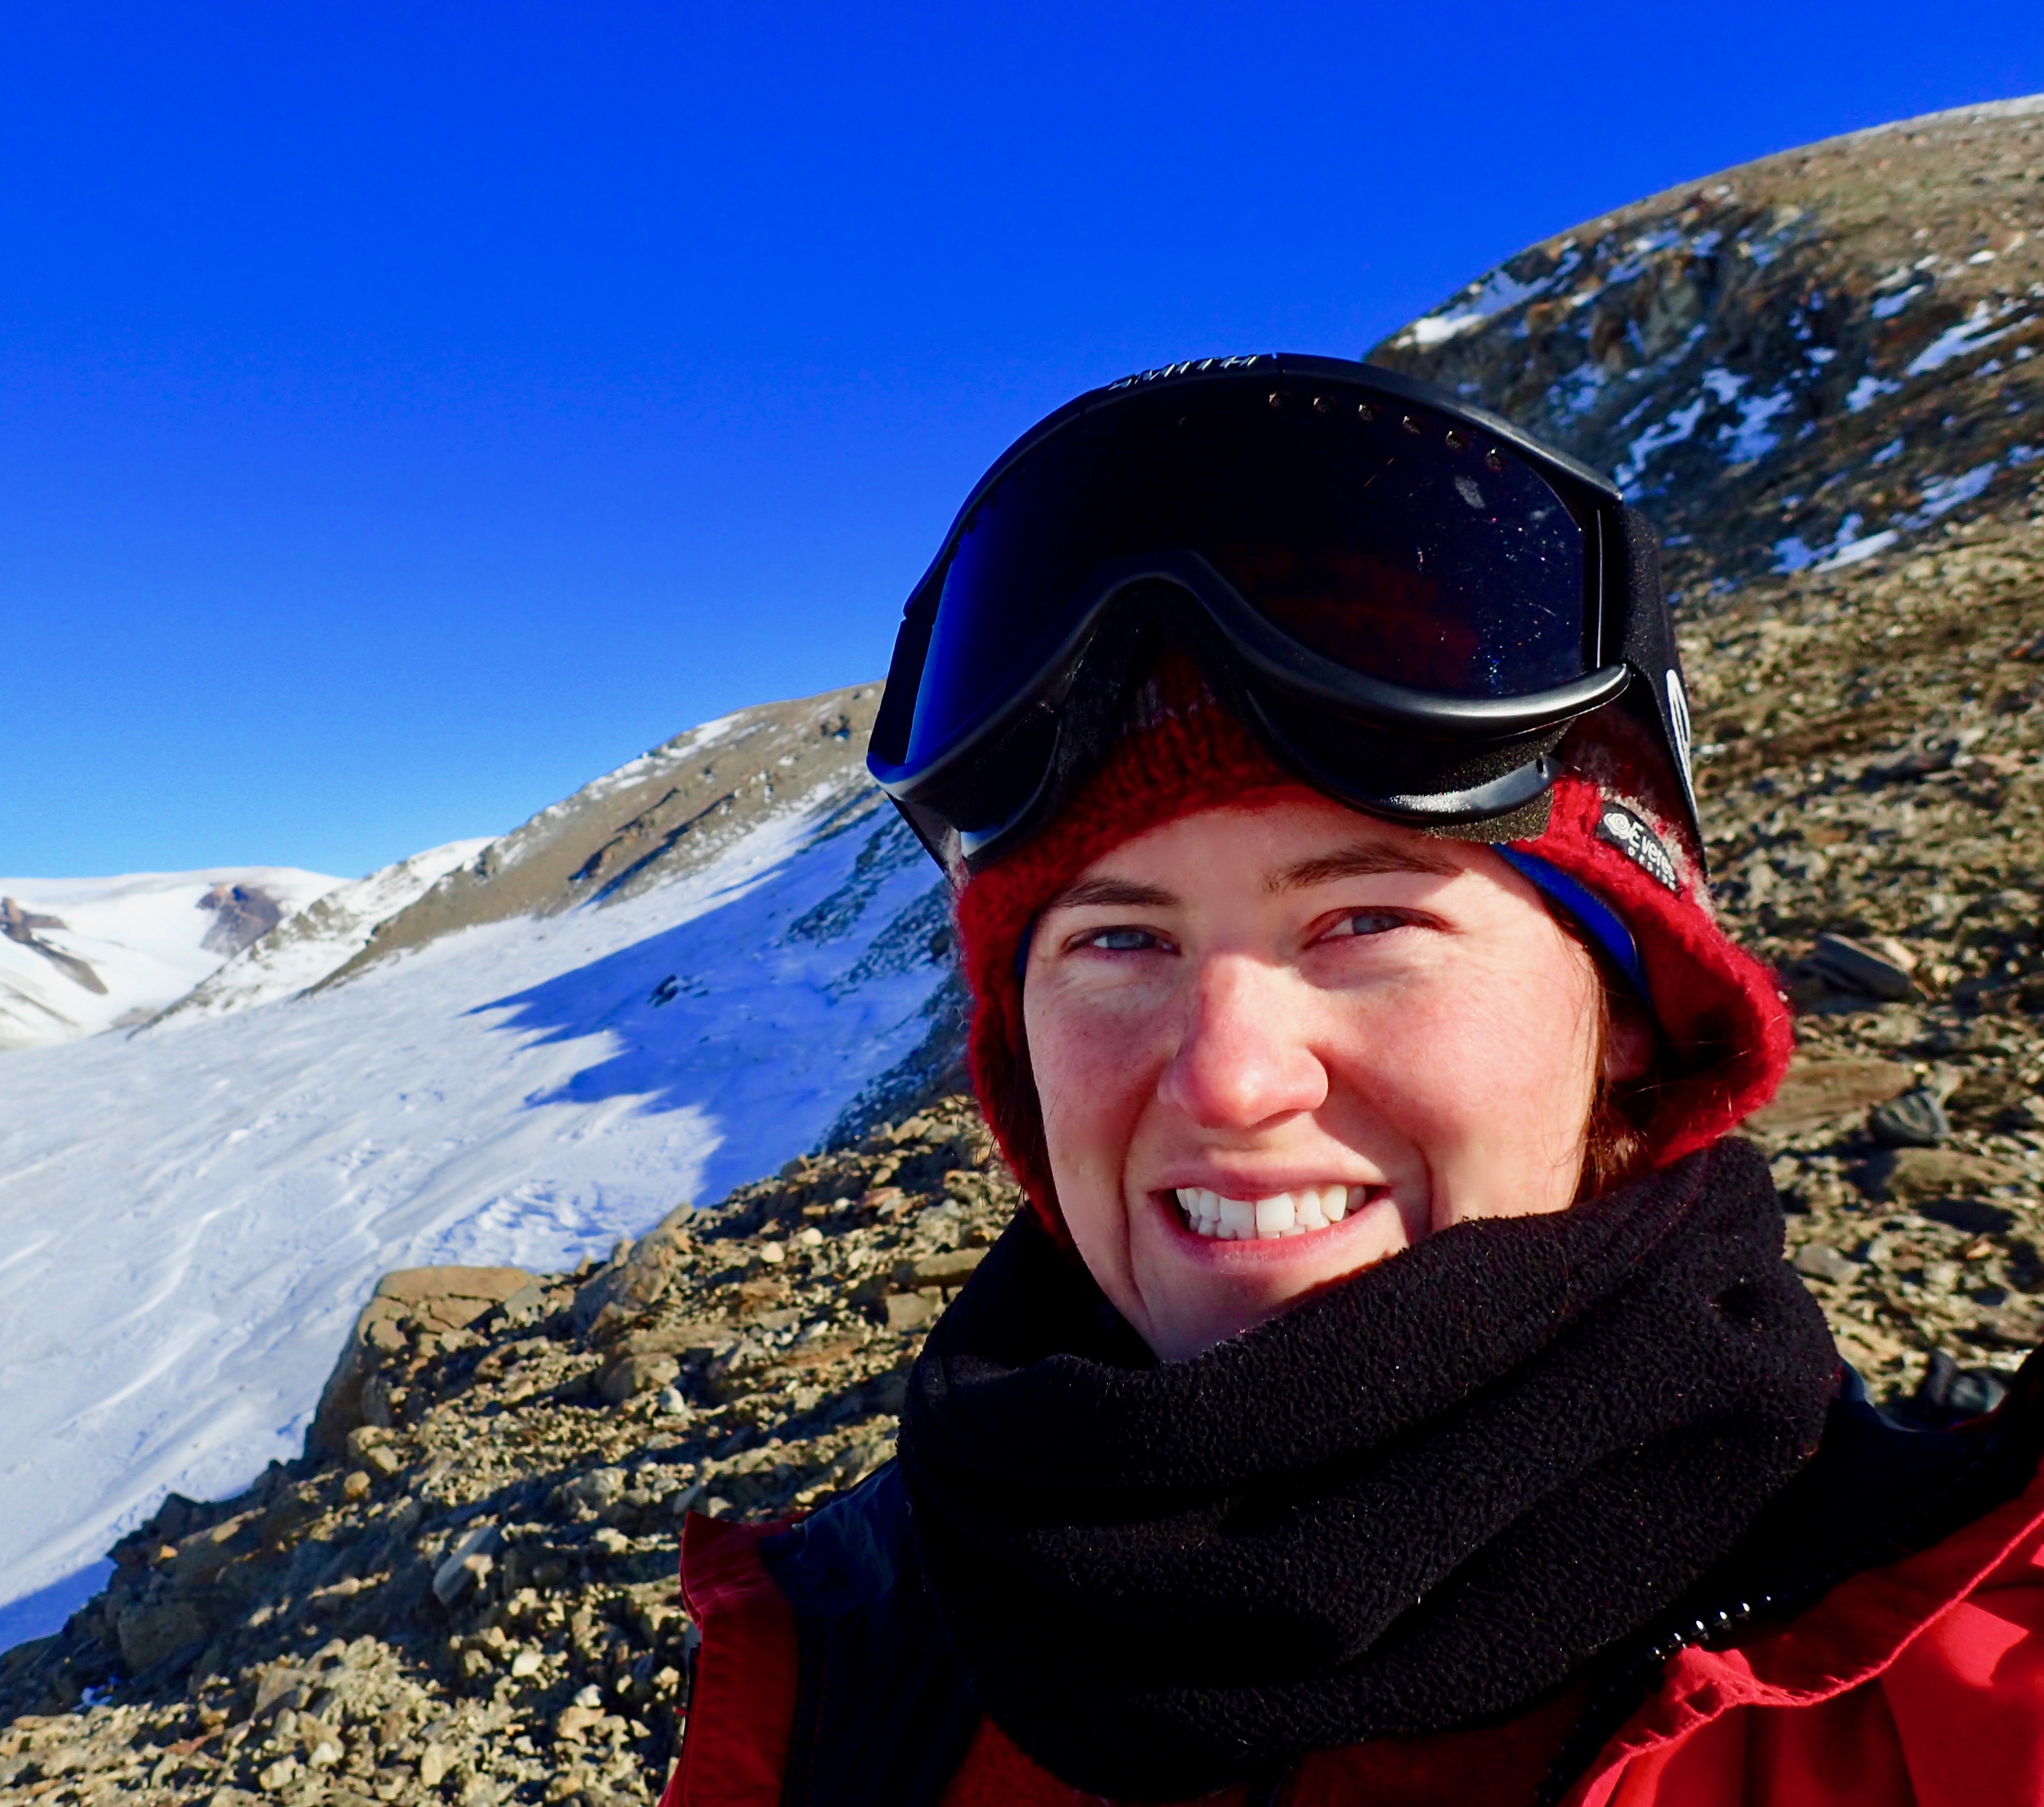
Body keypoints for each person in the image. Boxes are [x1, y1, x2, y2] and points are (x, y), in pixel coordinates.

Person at [660, 356, 2044, 1806]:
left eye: (1367, 921)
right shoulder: (836, 1650)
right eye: (1120, 940)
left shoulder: (1953, 1691)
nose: (1230, 1078)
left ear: (1632, 1016)